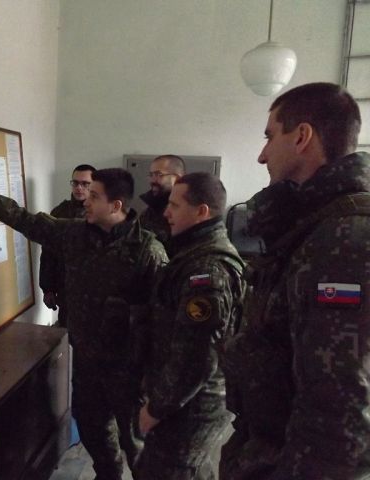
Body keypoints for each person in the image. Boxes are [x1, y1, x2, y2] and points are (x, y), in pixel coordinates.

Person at [0, 168, 168, 480]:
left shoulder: (148, 251)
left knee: (137, 443)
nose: (85, 201)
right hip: (87, 364)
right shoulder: (75, 235)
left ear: (116, 205)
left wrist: (156, 384)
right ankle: (108, 475)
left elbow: (164, 321)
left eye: (94, 196)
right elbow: (28, 221)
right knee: (93, 429)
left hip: (129, 372)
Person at [220, 82, 370, 479]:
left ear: (302, 136)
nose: (262, 155)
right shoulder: (312, 228)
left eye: (270, 136)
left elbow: (340, 417)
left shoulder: (344, 240)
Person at [137, 172, 245, 479]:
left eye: (175, 205)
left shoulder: (206, 270)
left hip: (191, 406)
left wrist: (156, 409)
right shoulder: (194, 252)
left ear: (201, 212)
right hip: (185, 401)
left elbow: (196, 358)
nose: (166, 213)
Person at [39, 164, 96, 327]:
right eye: (75, 183)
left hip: (95, 290)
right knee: (66, 331)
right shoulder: (59, 212)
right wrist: (47, 288)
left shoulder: (101, 211)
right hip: (66, 287)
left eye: (85, 184)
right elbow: (48, 253)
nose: (79, 188)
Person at [139, 155, 186, 245]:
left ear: (177, 179)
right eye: (151, 175)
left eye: (159, 175)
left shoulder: (188, 211)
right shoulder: (149, 212)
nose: (152, 180)